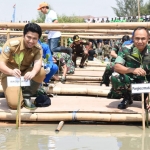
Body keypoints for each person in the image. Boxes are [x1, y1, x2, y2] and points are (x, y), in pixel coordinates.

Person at [0, 23, 46, 110]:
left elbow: (37, 63)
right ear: (23, 35)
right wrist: (11, 71)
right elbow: (1, 64)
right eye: (28, 37)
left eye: (34, 38)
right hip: (9, 74)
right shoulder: (11, 44)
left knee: (41, 71)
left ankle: (26, 95)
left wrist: (33, 72)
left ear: (38, 39)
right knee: (15, 105)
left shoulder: (38, 48)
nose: (31, 41)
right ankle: (16, 94)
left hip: (25, 74)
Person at [110, 26, 150, 109]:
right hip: (132, 83)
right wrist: (132, 70)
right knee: (115, 76)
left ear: (148, 38)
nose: (140, 41)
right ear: (133, 38)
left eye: (143, 39)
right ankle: (128, 97)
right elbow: (117, 66)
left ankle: (146, 98)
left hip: (147, 85)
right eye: (137, 38)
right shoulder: (125, 49)